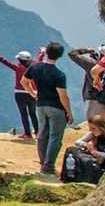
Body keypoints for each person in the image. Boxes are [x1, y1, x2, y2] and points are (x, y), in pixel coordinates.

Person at [23, 41, 74, 176]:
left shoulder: (35, 68)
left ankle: (43, 163)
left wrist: (33, 93)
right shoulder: (59, 74)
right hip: (56, 108)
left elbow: (24, 81)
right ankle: (49, 167)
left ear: (46, 52)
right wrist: (69, 112)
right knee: (55, 137)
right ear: (59, 56)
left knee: (42, 135)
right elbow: (63, 96)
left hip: (40, 106)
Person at [0, 48, 38, 138]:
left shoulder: (17, 67)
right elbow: (39, 58)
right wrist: (42, 52)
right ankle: (38, 133)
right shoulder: (35, 66)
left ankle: (27, 134)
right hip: (33, 93)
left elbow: (5, 61)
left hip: (20, 93)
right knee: (33, 113)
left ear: (20, 60)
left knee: (24, 114)